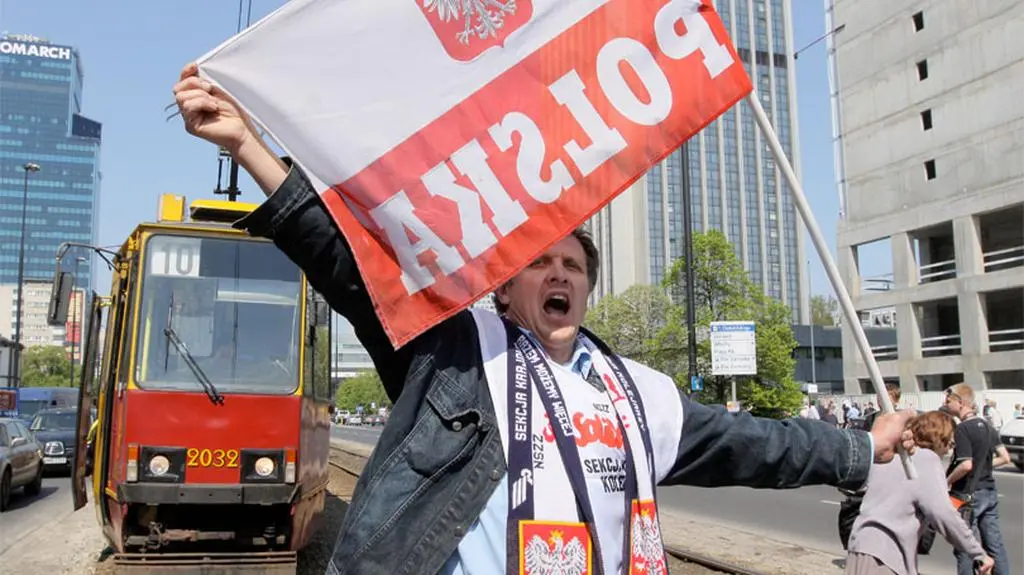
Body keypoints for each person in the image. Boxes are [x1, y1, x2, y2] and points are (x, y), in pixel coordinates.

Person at [173, 63, 916, 575]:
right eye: (538, 261)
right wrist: (247, 146)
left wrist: (859, 448)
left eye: (575, 265)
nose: (560, 272)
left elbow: (761, 446)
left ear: (587, 289)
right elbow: (348, 266)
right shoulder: (459, 355)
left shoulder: (640, 393)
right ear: (503, 289)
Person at [846, 410, 993, 575]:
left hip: (860, 547)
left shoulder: (892, 456)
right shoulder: (926, 460)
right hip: (885, 556)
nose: (949, 451)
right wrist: (978, 553)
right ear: (939, 437)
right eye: (950, 443)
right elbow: (943, 514)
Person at [943, 384, 1011, 575]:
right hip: (989, 491)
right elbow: (1005, 457)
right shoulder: (988, 427)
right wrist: (985, 465)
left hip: (969, 494)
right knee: (994, 543)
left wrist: (947, 479)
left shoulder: (963, 429)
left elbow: (966, 465)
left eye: (948, 401)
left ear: (961, 402)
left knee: (966, 545)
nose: (946, 404)